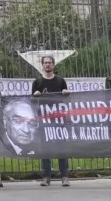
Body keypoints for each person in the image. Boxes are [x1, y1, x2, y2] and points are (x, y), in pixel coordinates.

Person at [31, 55, 71, 187]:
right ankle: (46, 177)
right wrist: (35, 96)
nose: (47, 65)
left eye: (50, 63)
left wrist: (66, 93)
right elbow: (32, 103)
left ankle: (64, 176)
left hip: (59, 120)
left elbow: (66, 101)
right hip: (44, 121)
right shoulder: (37, 83)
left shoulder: (60, 81)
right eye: (45, 63)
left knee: (62, 148)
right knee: (45, 149)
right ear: (42, 65)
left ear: (53, 65)